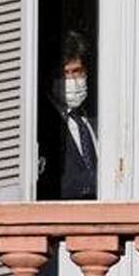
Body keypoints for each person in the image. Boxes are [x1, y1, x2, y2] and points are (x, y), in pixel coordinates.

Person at [37, 31, 99, 200]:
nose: (72, 80)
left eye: (77, 71)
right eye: (64, 73)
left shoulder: (96, 119)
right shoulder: (39, 126)